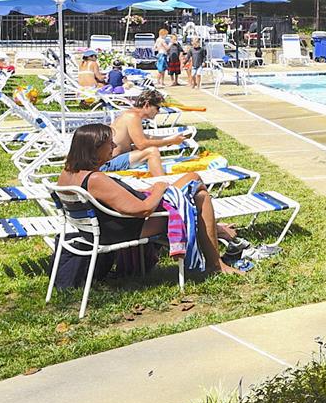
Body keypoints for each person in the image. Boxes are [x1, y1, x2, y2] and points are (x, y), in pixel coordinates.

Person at [57, 123, 246, 277]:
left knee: (194, 182)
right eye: (110, 144)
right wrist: (158, 189)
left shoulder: (67, 174)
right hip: (124, 230)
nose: (114, 148)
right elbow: (144, 210)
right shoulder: (96, 179)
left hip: (96, 229)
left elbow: (112, 199)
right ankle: (215, 263)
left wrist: (138, 191)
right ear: (95, 149)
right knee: (198, 189)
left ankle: (218, 243)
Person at [109, 89, 192, 177]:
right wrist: (169, 141)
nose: (158, 111)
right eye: (157, 108)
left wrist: (171, 139)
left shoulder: (130, 115)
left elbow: (149, 138)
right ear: (147, 105)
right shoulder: (133, 116)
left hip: (113, 159)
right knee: (152, 151)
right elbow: (141, 144)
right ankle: (163, 183)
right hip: (110, 163)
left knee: (148, 150)